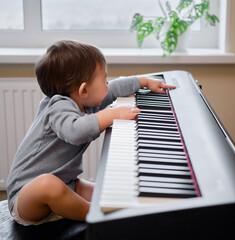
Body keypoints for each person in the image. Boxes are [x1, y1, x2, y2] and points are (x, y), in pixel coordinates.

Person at [6, 40, 175, 226]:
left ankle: (114, 212)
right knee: (48, 183)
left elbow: (114, 88)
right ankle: (97, 216)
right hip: (26, 198)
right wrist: (112, 114)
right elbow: (75, 131)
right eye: (103, 80)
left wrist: (143, 81)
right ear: (84, 89)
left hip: (67, 183)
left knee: (107, 193)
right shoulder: (58, 107)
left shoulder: (84, 100)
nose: (107, 84)